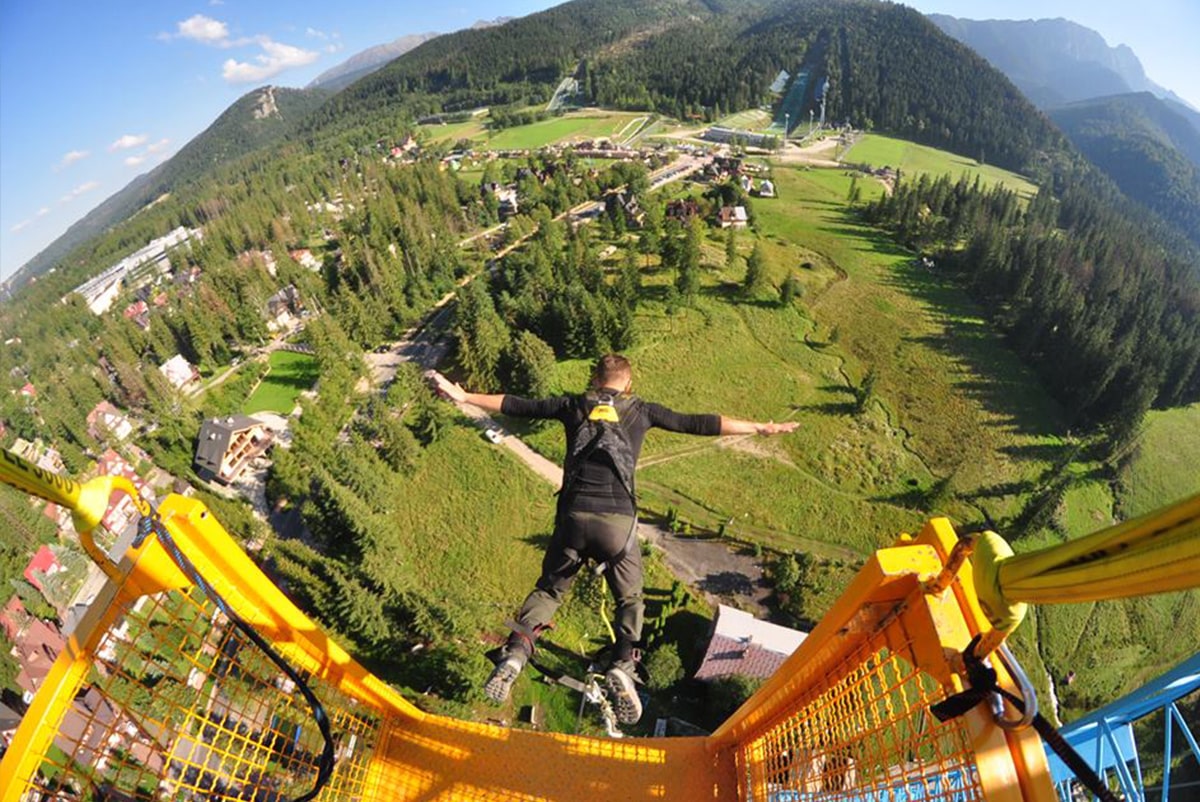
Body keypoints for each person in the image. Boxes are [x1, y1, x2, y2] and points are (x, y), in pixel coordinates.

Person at [433, 353, 797, 724]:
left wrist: (464, 397)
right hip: (617, 525)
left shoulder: (573, 405)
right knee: (630, 597)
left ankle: (515, 653)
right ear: (629, 383)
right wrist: (758, 427)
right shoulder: (641, 410)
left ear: (595, 380)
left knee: (549, 591)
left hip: (573, 518)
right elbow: (698, 423)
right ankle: (623, 665)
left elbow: (516, 404)